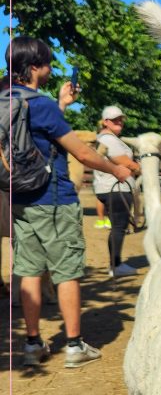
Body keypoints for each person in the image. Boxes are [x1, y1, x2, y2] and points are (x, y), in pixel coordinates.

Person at [6, 37, 131, 368]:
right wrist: (115, 168)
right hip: (55, 199)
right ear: (34, 68)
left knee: (29, 270)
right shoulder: (41, 105)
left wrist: (62, 104)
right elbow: (83, 153)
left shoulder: (6, 100)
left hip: (20, 200)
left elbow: (34, 138)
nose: (49, 69)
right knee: (67, 271)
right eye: (46, 64)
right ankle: (74, 346)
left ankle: (33, 344)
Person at [93, 105, 141, 276]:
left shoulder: (105, 138)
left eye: (120, 119)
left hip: (109, 188)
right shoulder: (109, 140)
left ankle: (116, 264)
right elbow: (124, 162)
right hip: (117, 188)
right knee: (119, 227)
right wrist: (140, 167)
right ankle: (115, 266)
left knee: (117, 227)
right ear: (105, 122)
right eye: (115, 119)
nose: (119, 122)